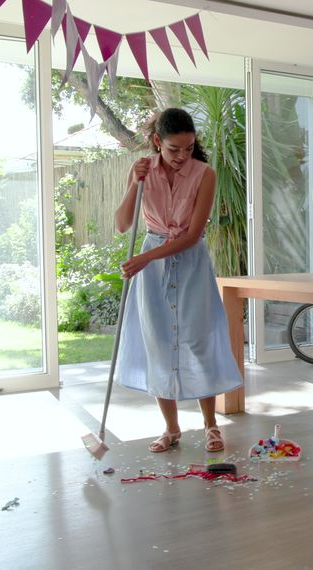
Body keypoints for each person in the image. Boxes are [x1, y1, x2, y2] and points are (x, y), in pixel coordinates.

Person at [114, 108, 242, 453]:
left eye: (188, 148)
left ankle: (211, 425)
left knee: (198, 342)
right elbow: (123, 224)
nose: (182, 156)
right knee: (157, 343)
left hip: (188, 262)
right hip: (152, 267)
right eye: (174, 149)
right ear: (158, 142)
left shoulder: (206, 175)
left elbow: (192, 235)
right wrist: (133, 183)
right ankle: (171, 429)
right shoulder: (141, 171)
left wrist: (145, 258)